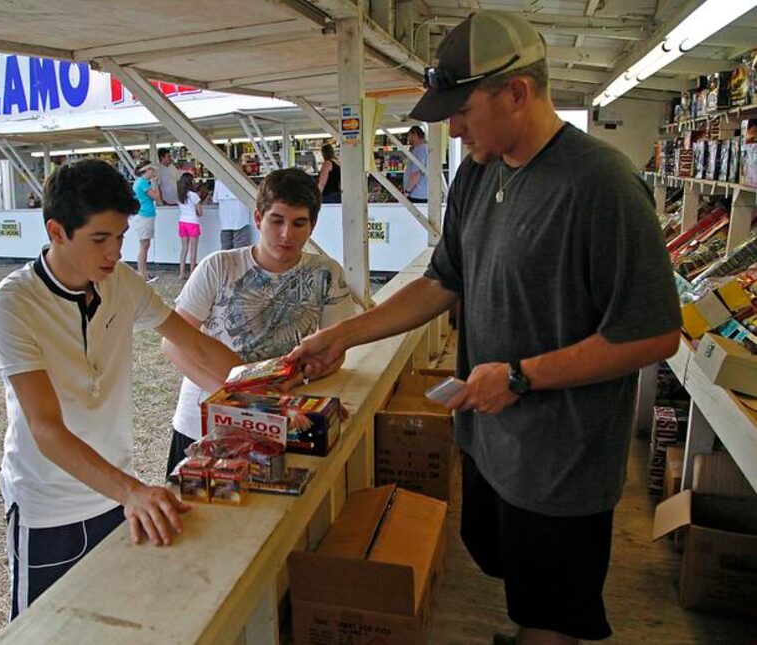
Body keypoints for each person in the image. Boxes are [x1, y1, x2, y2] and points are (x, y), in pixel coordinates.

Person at [289, 11, 681, 645]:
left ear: (518, 93)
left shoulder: (601, 184)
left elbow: (653, 334)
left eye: (462, 109)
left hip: (560, 462)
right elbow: (444, 281)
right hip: (490, 441)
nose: (452, 126)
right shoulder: (477, 172)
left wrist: (522, 377)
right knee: (510, 574)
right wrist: (346, 335)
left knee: (552, 615)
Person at [0, 158, 242, 619]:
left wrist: (264, 386)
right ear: (57, 231)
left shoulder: (120, 283)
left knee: (112, 619)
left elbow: (195, 345)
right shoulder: (11, 303)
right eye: (100, 239)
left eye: (121, 237)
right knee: (42, 630)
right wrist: (131, 491)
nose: (114, 252)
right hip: (49, 504)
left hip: (116, 494)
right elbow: (45, 428)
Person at [162, 167, 355, 476]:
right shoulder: (219, 266)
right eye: (276, 221)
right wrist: (238, 401)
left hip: (281, 422)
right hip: (202, 422)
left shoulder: (326, 273)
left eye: (299, 223)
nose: (286, 234)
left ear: (313, 226)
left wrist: (303, 380)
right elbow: (173, 344)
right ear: (257, 219)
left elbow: (334, 350)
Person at [132, 159, 161, 282]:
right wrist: (155, 184)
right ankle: (142, 273)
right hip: (145, 215)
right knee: (144, 246)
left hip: (144, 215)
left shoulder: (140, 182)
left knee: (145, 245)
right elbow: (157, 198)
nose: (153, 172)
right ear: (147, 170)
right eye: (152, 170)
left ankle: (142, 272)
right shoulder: (143, 183)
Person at [212, 175, 252, 250]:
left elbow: (215, 200)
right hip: (241, 221)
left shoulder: (219, 183)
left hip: (225, 222)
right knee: (241, 251)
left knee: (226, 251)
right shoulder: (242, 181)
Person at [176, 172, 203, 280]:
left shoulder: (179, 196)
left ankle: (181, 273)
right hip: (193, 222)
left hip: (182, 222)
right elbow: (200, 213)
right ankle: (192, 273)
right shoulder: (194, 195)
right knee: (193, 249)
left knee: (184, 249)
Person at [402, 125, 429, 203]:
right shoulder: (426, 148)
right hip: (425, 193)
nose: (408, 139)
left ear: (415, 134)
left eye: (409, 136)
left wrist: (407, 191)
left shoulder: (419, 149)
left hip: (417, 194)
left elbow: (416, 173)